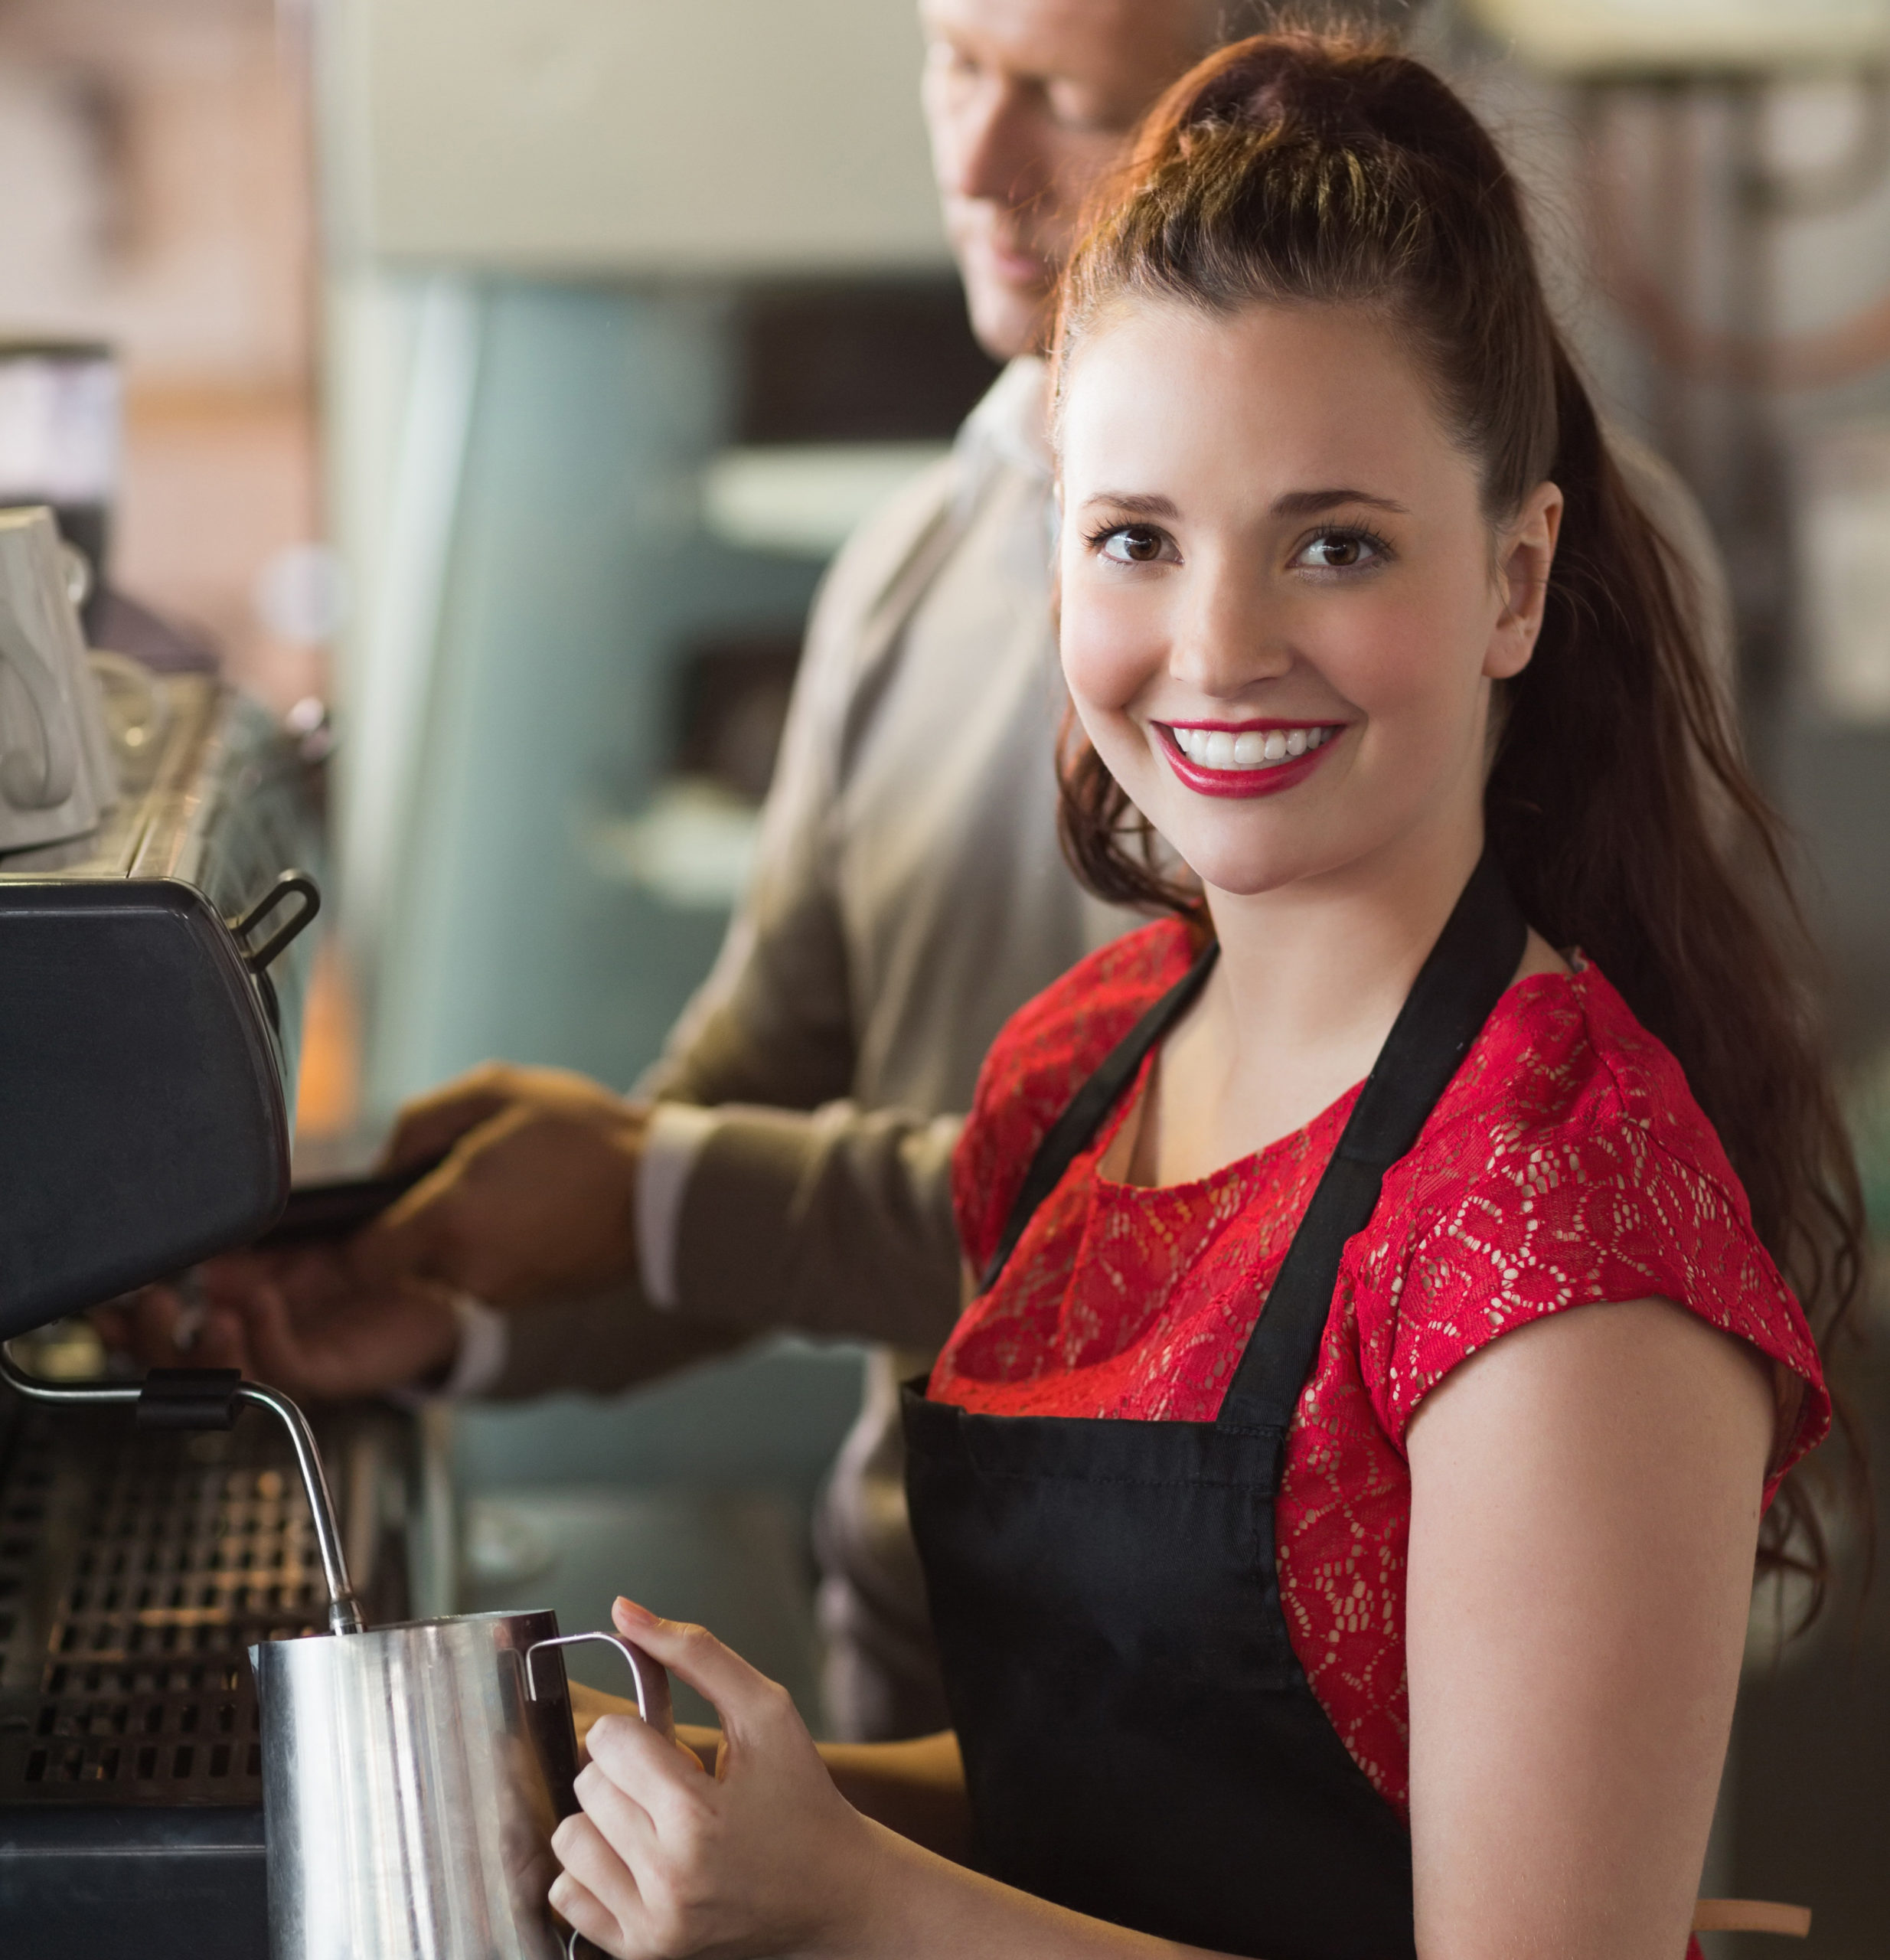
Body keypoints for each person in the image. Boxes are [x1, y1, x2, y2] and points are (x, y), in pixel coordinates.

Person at [113, 0, 1738, 1747]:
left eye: (1054, 94)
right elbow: (812, 1132)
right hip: (966, 1697)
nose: (1215, 644)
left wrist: (654, 1186)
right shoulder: (955, 678)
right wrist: (442, 1304)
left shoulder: (1563, 1209)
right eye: (955, 64)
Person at [540, 29, 1858, 1960]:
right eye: (1135, 540)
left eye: (1332, 543)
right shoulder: (1087, 1067)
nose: (1218, 648)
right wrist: (716, 1789)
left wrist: (847, 1905)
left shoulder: (1560, 1231)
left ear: (1514, 577)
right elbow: (1119, 1785)